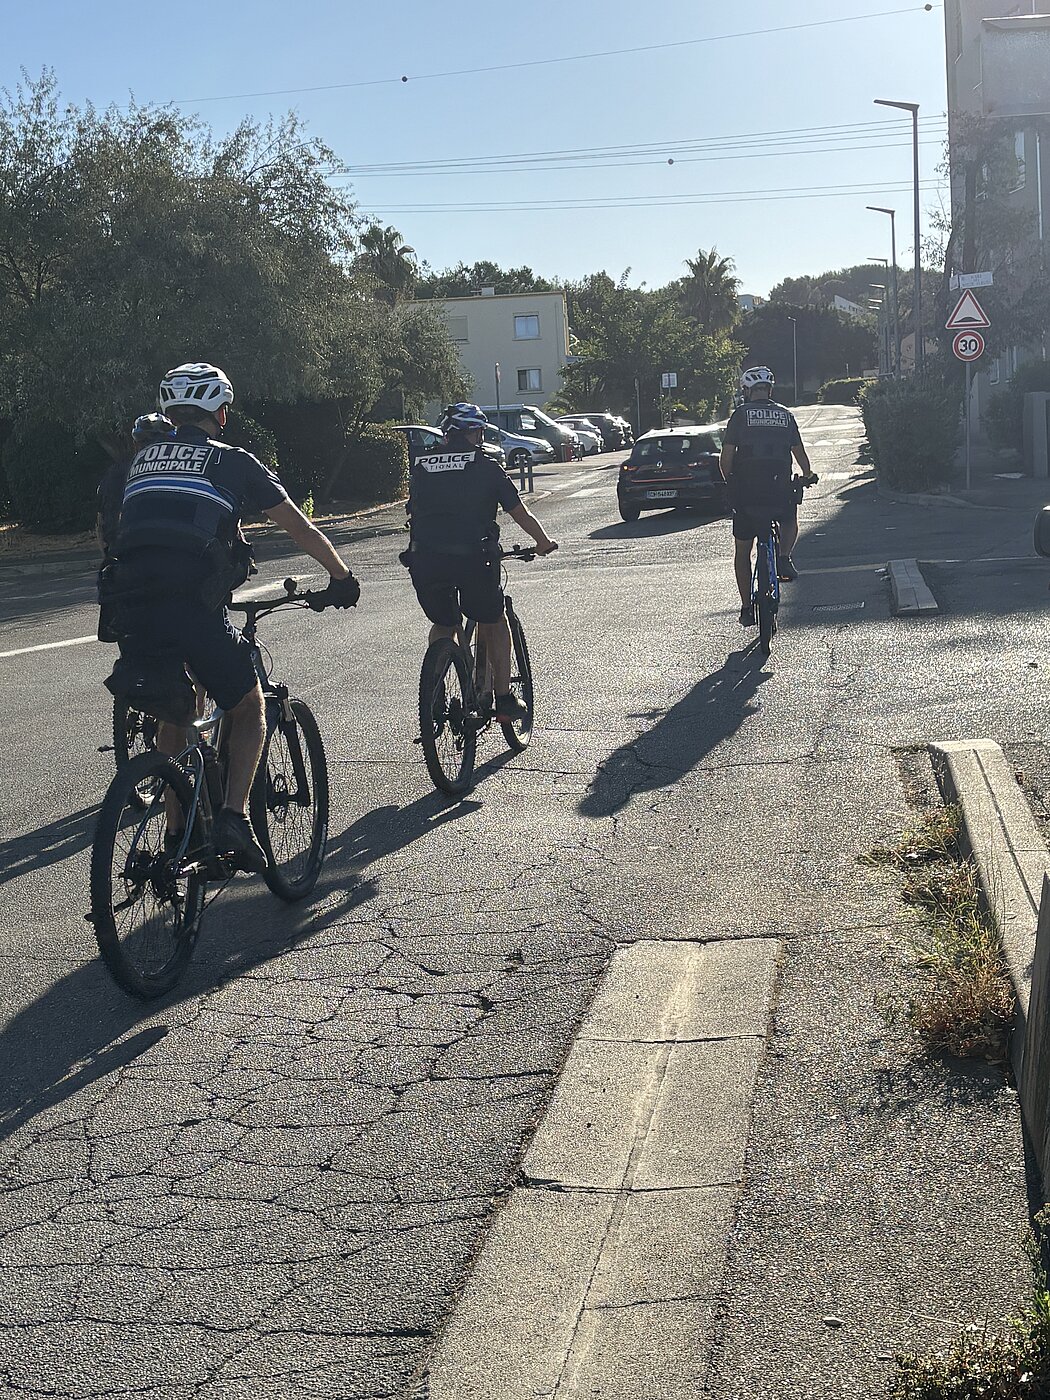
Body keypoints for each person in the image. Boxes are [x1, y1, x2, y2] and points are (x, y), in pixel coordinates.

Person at [104, 362, 360, 872]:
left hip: (129, 605)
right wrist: (341, 574)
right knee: (248, 708)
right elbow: (300, 528)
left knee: (175, 715)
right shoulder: (231, 461)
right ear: (220, 411)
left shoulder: (141, 462)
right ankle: (234, 820)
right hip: (190, 604)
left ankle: (179, 838)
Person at [404, 402, 556, 722]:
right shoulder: (486, 466)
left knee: (444, 623)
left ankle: (434, 692)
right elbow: (519, 512)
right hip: (474, 559)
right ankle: (503, 700)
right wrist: (542, 543)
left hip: (425, 560)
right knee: (494, 621)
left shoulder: (421, 467)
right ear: (475, 432)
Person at [719, 366, 816, 626]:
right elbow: (799, 452)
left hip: (746, 492)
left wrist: (727, 482)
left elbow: (727, 455)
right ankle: (784, 558)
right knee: (789, 519)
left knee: (742, 551)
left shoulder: (740, 415)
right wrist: (808, 475)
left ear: (747, 391)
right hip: (778, 489)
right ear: (770, 390)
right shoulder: (785, 415)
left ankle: (745, 607)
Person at [96, 414, 175, 557]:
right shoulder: (179, 470)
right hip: (169, 555)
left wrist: (108, 556)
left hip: (124, 555)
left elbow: (102, 520)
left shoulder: (116, 473)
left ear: (136, 443)